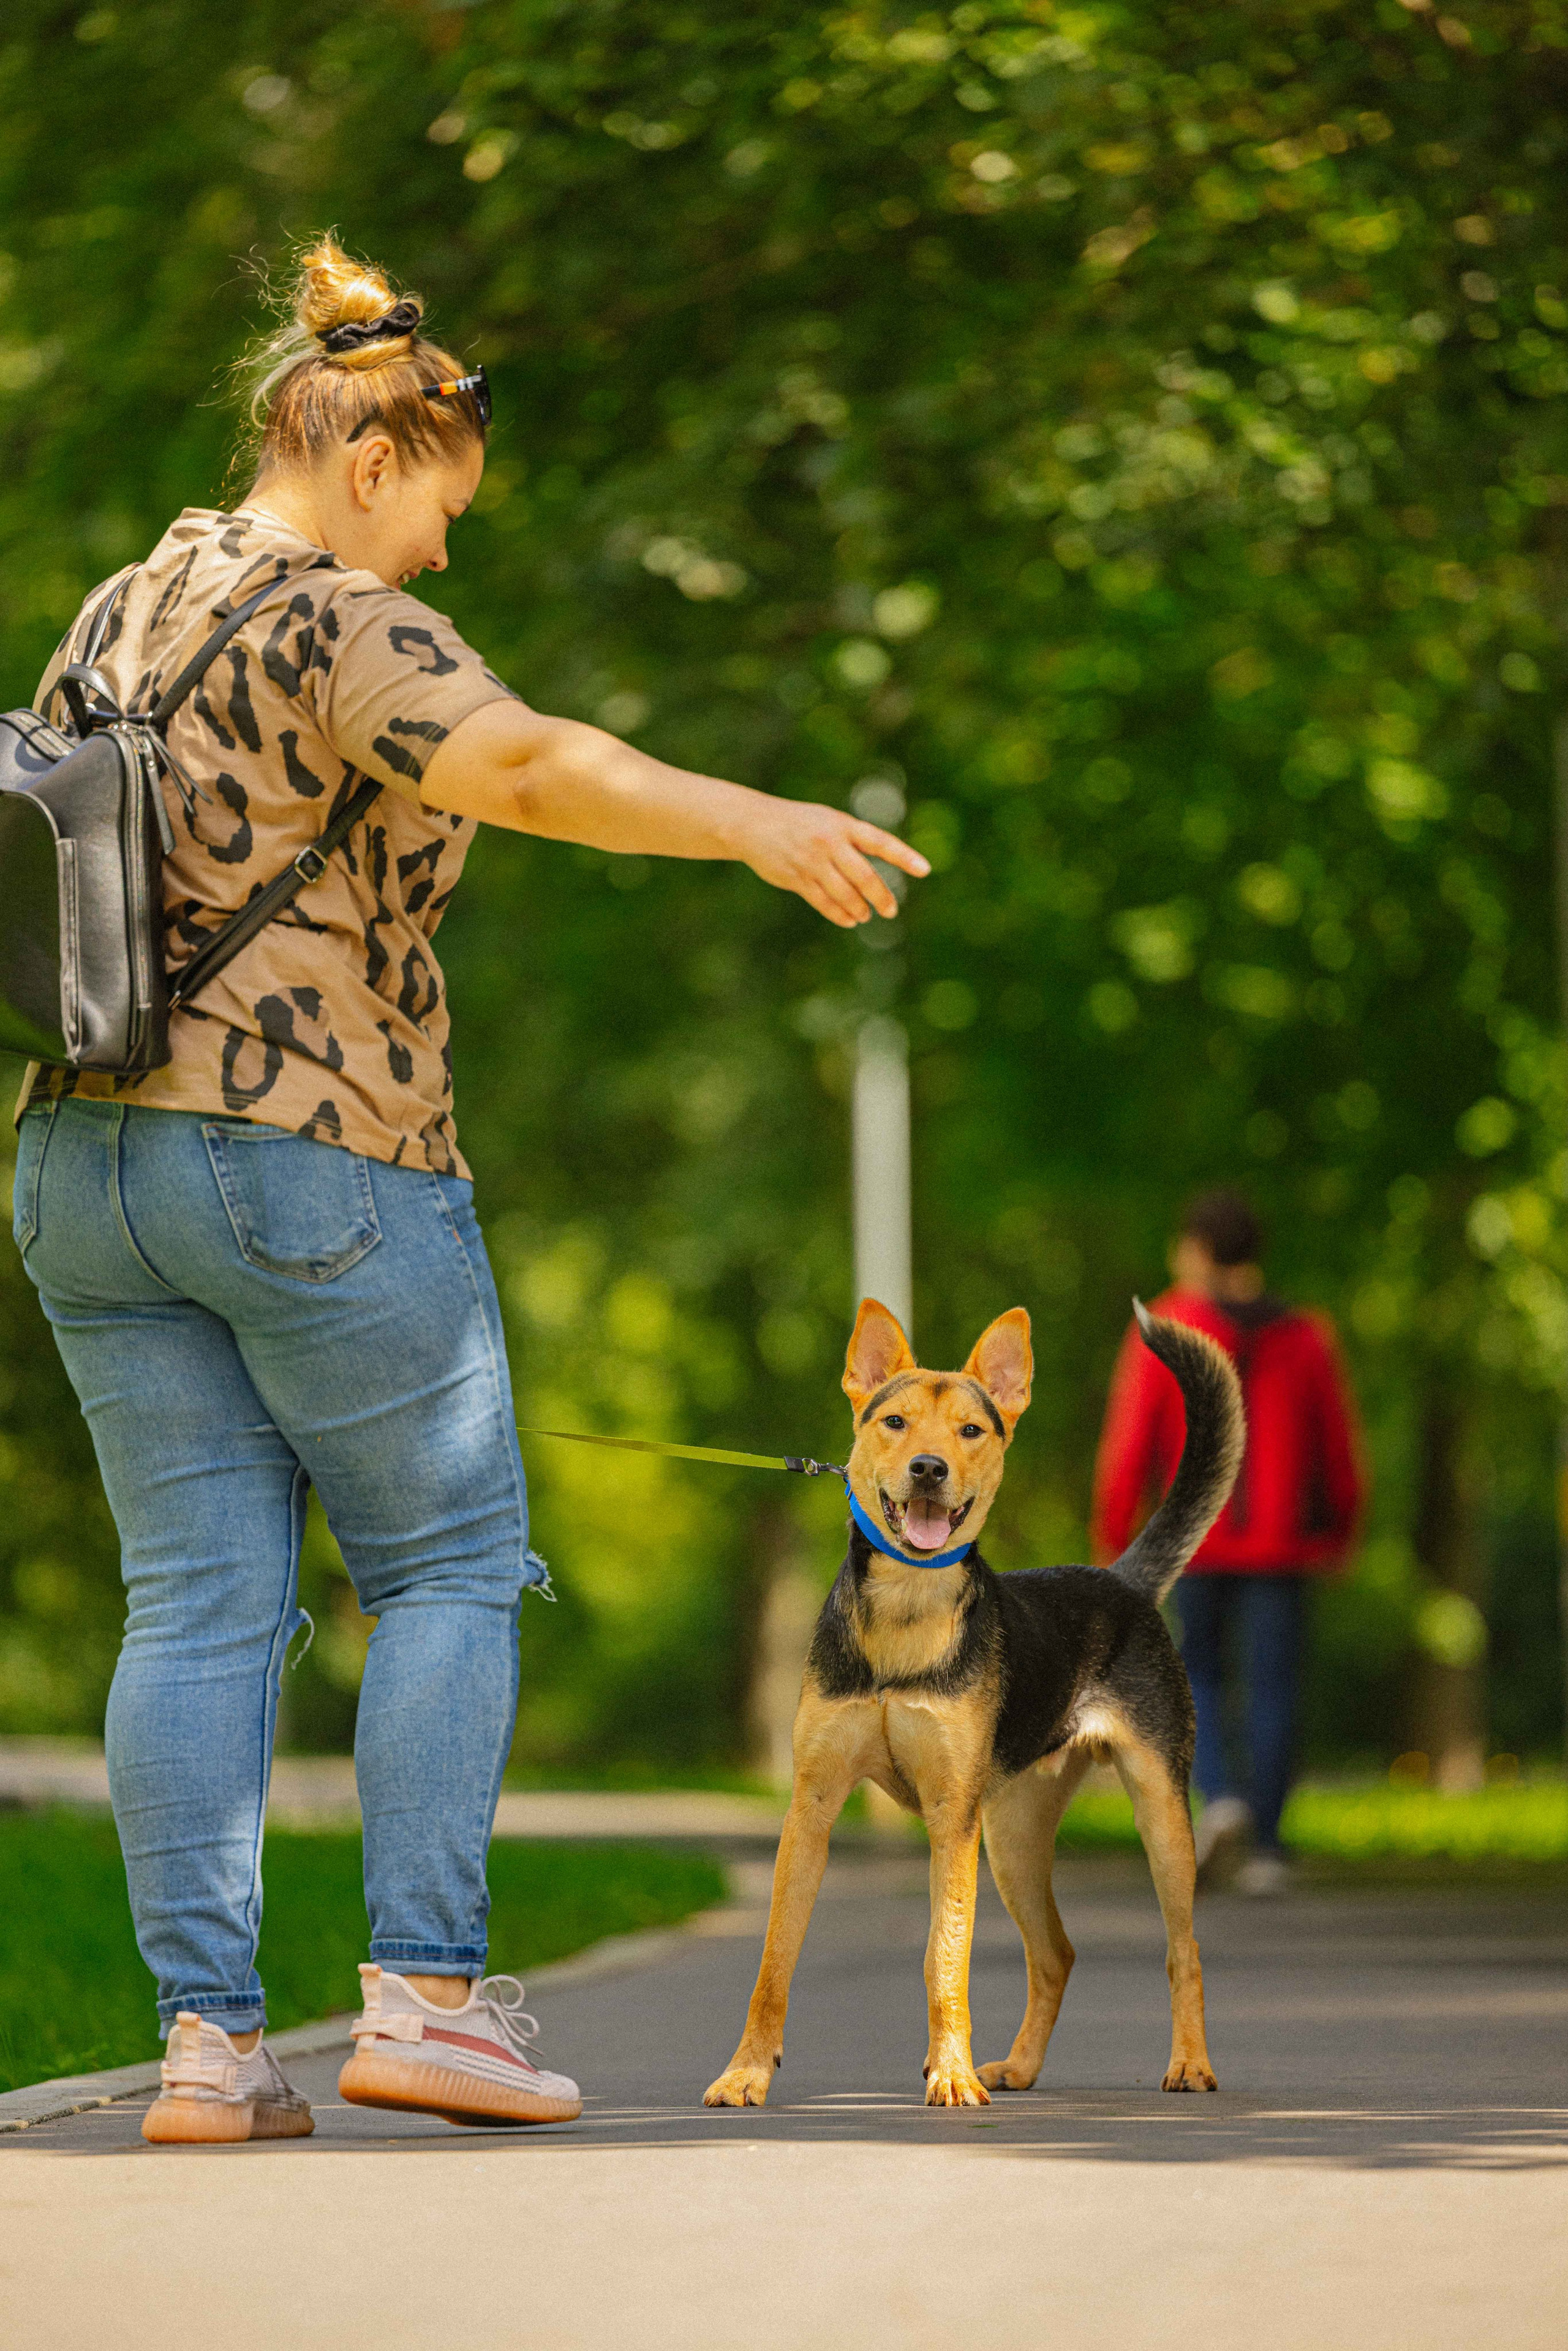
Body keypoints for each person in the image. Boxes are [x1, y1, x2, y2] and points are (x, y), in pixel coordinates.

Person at [10, 236, 929, 2144]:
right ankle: (428, 1998)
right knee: (441, 1562)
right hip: (314, 1148)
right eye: (441, 511)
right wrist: (751, 820)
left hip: (86, 1163)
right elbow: (519, 760)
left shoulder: (119, 607)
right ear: (367, 462)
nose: (441, 554)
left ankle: (207, 2047)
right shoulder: (342, 618)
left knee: (193, 1605)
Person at [1091, 1190, 1365, 1895]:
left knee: (1194, 1678)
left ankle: (1221, 1799)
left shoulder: (1167, 1326)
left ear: (1198, 1250)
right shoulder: (1305, 1336)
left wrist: (1114, 1539)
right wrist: (1341, 1529)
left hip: (1192, 1539)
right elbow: (1337, 1443)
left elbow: (1128, 1444)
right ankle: (1267, 1848)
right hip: (1282, 1547)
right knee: (1274, 1687)